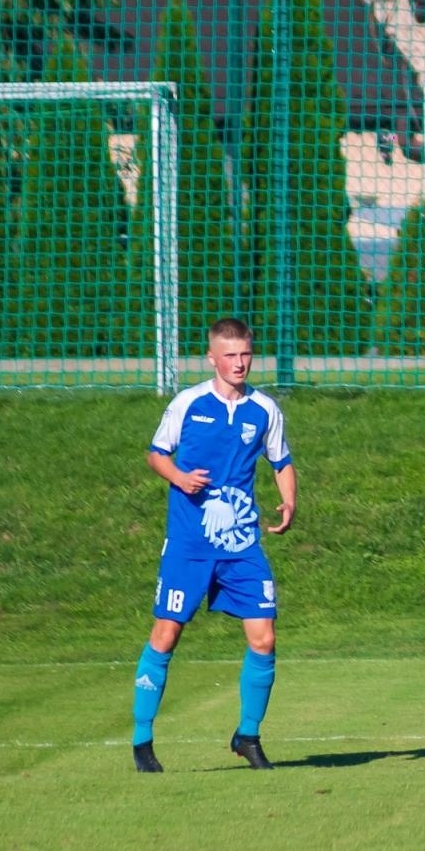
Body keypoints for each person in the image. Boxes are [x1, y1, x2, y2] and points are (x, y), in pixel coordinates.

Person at [131, 318, 297, 772]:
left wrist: (288, 500)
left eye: (245, 354)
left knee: (264, 637)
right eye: (230, 355)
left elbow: (280, 459)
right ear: (212, 358)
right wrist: (179, 478)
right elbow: (155, 453)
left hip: (242, 544)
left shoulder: (264, 408)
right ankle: (142, 742)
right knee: (166, 636)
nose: (239, 363)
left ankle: (248, 736)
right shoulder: (188, 403)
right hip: (190, 544)